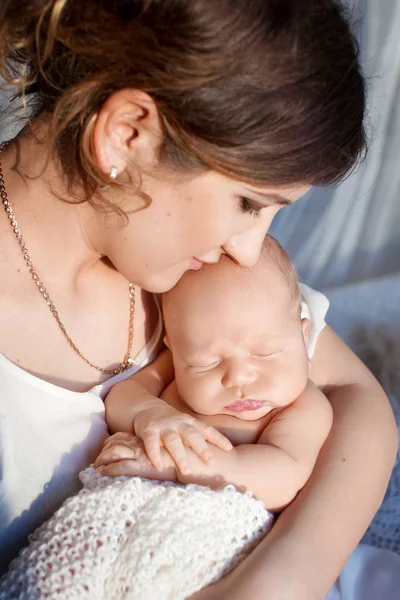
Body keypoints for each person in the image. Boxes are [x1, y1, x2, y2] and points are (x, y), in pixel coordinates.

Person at [0, 1, 396, 597]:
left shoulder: (179, 262)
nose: (248, 251)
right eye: (247, 203)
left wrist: (280, 579)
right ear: (127, 132)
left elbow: (355, 396)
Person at [98, 236, 333, 513]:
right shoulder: (175, 368)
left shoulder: (304, 407)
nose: (238, 377)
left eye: (265, 352)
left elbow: (283, 478)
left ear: (303, 338)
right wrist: (147, 413)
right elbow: (123, 395)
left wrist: (177, 464)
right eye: (206, 363)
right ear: (175, 351)